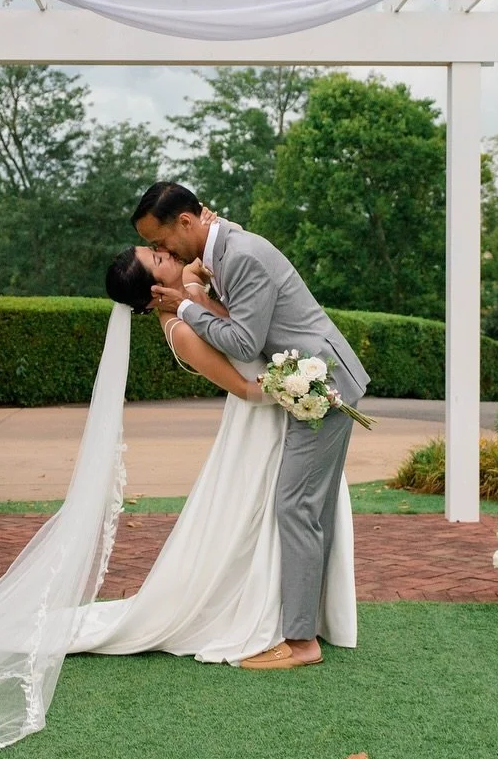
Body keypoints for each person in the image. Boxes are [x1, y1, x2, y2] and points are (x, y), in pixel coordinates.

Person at [114, 183, 370, 670]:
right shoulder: (222, 250)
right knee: (310, 507)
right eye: (155, 250)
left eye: (161, 241)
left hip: (322, 387)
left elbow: (245, 338)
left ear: (186, 223)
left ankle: (301, 643)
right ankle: (316, 624)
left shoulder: (242, 254)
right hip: (307, 388)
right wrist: (191, 291)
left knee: (297, 506)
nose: (164, 252)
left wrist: (187, 302)